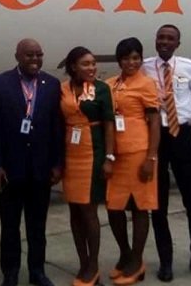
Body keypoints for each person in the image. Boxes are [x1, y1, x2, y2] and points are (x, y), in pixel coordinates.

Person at [0, 39, 63, 286]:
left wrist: (58, 164)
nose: (35, 59)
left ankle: (37, 271)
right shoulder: (0, 82)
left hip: (40, 169)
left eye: (39, 55)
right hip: (9, 169)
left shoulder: (51, 84)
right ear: (17, 55)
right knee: (10, 226)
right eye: (29, 55)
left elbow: (57, 128)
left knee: (37, 226)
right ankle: (11, 272)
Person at [142, 24, 191, 282]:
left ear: (177, 43)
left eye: (170, 38)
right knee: (158, 202)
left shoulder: (188, 66)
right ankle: (166, 261)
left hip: (181, 134)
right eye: (160, 37)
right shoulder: (145, 67)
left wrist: (177, 113)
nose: (164, 41)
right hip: (156, 137)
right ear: (155, 40)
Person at [105, 38, 161, 286]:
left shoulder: (146, 84)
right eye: (127, 58)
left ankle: (137, 262)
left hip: (139, 152)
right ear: (119, 61)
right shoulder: (110, 85)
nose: (132, 62)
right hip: (116, 155)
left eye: (136, 57)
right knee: (114, 207)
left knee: (140, 207)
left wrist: (151, 157)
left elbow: (155, 123)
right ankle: (125, 254)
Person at [60, 46, 115, 286]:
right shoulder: (62, 89)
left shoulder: (102, 90)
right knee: (75, 210)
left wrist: (109, 158)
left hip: (93, 153)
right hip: (70, 155)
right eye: (85, 64)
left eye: (93, 63)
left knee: (89, 211)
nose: (92, 68)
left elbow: (110, 125)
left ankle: (93, 265)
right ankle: (83, 262)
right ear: (73, 67)